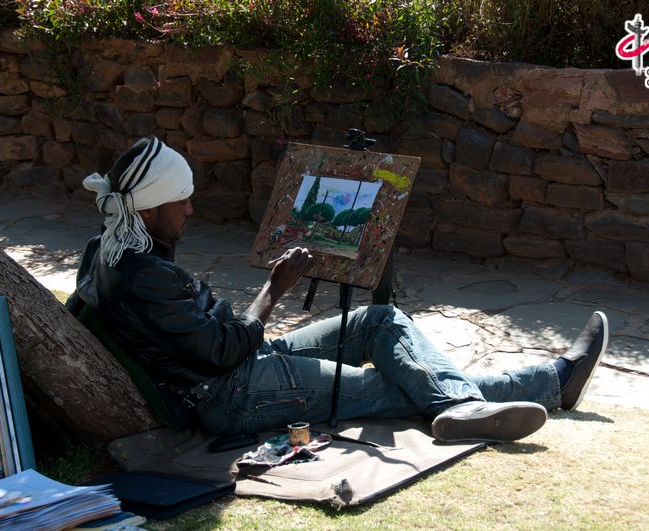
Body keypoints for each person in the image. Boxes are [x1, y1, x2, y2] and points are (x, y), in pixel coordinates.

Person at [73, 137, 608, 443]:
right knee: (388, 388)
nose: (190, 209)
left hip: (241, 362)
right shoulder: (141, 275)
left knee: (381, 322)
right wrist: (274, 288)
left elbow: (208, 339)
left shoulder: (111, 249)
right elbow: (221, 351)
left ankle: (478, 400)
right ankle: (544, 382)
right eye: (180, 201)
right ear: (147, 208)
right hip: (230, 390)